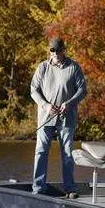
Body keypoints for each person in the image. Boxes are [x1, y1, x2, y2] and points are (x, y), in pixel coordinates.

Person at [31, 36, 87, 197]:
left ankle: (70, 189)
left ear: (64, 50)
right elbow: (33, 90)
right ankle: (38, 189)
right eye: (52, 50)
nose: (55, 53)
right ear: (49, 51)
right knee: (41, 151)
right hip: (46, 118)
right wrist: (45, 105)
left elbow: (82, 90)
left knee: (68, 153)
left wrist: (69, 103)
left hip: (67, 118)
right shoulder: (43, 67)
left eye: (58, 50)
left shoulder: (74, 67)